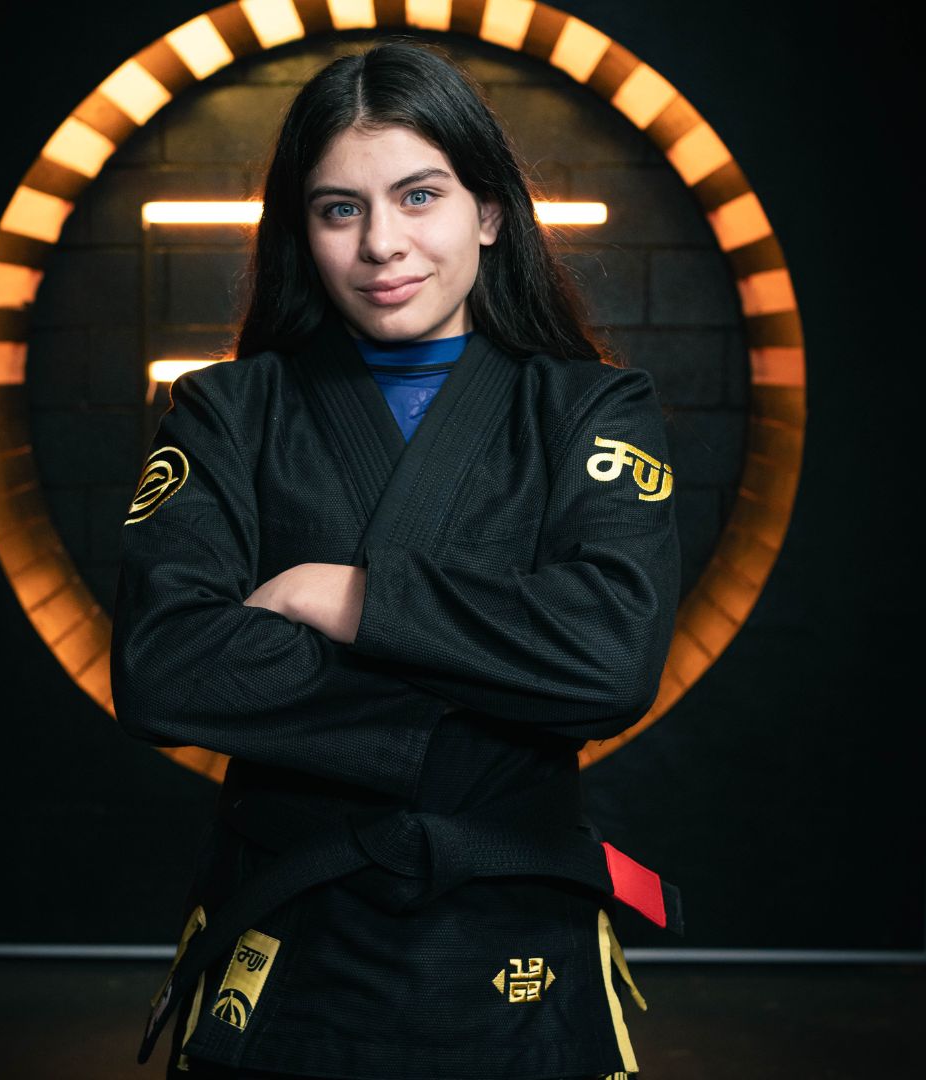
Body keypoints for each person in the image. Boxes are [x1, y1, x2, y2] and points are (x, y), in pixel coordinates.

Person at [111, 38, 682, 1080]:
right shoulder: (224, 413)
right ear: (304, 232)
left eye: (420, 196)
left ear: (489, 212)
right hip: (293, 936)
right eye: (341, 209)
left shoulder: (592, 408)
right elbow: (165, 667)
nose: (382, 243)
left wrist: (350, 598)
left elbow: (610, 659)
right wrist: (494, 700)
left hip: (515, 950)